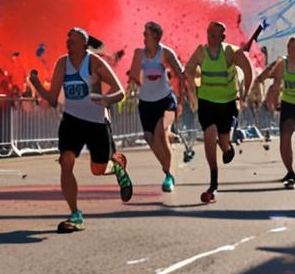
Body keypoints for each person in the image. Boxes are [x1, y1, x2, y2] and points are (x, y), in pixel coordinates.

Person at [28, 27, 133, 233]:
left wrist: (104, 100)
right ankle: (75, 214)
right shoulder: (62, 63)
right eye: (67, 41)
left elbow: (119, 91)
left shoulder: (94, 62)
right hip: (72, 121)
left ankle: (117, 167)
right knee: (66, 161)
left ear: (84, 44)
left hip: (96, 122)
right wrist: (36, 84)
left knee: (98, 170)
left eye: (73, 41)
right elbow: (51, 99)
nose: (68, 44)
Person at [183, 21, 256, 204]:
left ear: (223, 37)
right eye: (210, 35)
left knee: (223, 140)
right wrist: (192, 92)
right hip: (207, 102)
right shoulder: (201, 51)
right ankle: (213, 181)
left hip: (227, 103)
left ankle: (227, 147)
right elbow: (188, 71)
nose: (213, 39)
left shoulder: (231, 52)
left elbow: (248, 70)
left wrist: (245, 93)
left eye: (217, 36)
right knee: (209, 134)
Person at [251, 36, 295, 189]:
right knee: (285, 135)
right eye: (289, 47)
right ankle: (290, 172)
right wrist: (268, 91)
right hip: (289, 104)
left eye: (294, 47)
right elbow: (272, 79)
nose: (290, 50)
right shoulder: (283, 63)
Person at [126, 21, 185, 193]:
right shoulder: (139, 53)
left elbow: (180, 74)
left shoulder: (165, 53)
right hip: (146, 102)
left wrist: (182, 98)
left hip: (166, 100)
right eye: (144, 34)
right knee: (150, 139)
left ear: (156, 37)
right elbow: (134, 76)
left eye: (147, 34)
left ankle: (169, 176)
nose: (144, 38)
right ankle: (168, 170)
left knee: (161, 134)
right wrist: (132, 85)